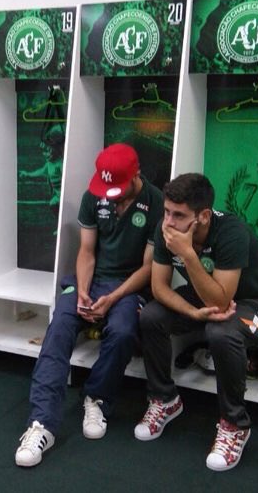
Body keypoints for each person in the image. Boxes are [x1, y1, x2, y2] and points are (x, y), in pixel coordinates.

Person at [15, 143, 162, 467]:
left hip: (128, 286)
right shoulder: (93, 196)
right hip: (89, 281)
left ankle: (96, 398)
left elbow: (149, 267)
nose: (111, 195)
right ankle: (41, 424)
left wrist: (112, 298)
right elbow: (87, 252)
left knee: (123, 332)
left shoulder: (156, 202)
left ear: (136, 175)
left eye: (118, 189)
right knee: (59, 327)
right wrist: (83, 291)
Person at [136, 173, 258, 471]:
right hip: (205, 294)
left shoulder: (232, 232)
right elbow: (159, 288)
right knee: (151, 315)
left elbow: (220, 301)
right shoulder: (168, 229)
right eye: (166, 212)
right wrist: (191, 314)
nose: (169, 221)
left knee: (220, 331)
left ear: (203, 216)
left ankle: (235, 424)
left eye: (179, 215)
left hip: (257, 302)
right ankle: (165, 400)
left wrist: (188, 254)